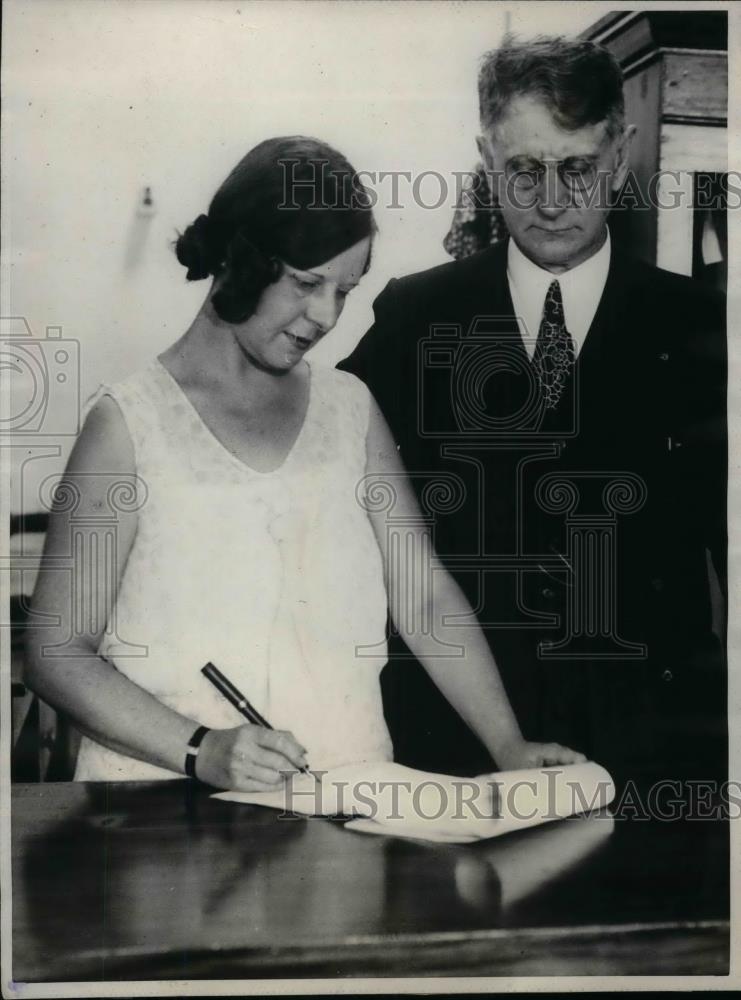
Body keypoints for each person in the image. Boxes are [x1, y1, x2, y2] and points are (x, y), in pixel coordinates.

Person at [25, 136, 583, 790]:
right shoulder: (126, 425)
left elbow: (424, 598)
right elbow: (56, 652)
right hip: (164, 812)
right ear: (239, 261)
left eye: (344, 291)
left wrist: (507, 746)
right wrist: (199, 748)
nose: (325, 316)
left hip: (349, 799)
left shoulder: (350, 410)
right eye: (306, 282)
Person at [339, 37, 727, 789]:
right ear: (487, 159)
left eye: (576, 168)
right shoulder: (414, 318)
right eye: (523, 169)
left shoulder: (699, 329)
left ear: (621, 153)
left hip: (659, 750)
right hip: (454, 754)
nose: (550, 200)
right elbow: (320, 478)